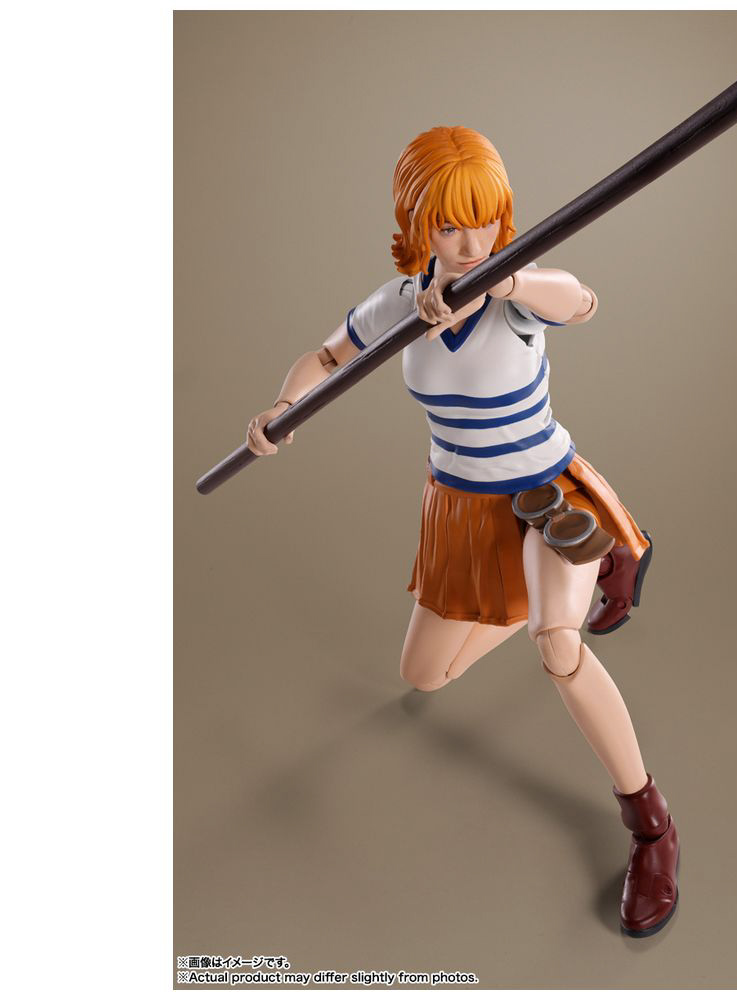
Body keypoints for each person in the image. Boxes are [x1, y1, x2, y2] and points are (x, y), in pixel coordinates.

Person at [245, 126, 678, 937]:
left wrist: (513, 278)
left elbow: (582, 301)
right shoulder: (397, 303)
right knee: (424, 675)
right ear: (419, 226)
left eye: (483, 220)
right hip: (460, 507)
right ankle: (600, 568)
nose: (471, 242)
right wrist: (283, 407)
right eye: (449, 225)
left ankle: (651, 824)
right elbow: (327, 359)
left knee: (559, 650)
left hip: (548, 498)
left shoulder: (518, 293)